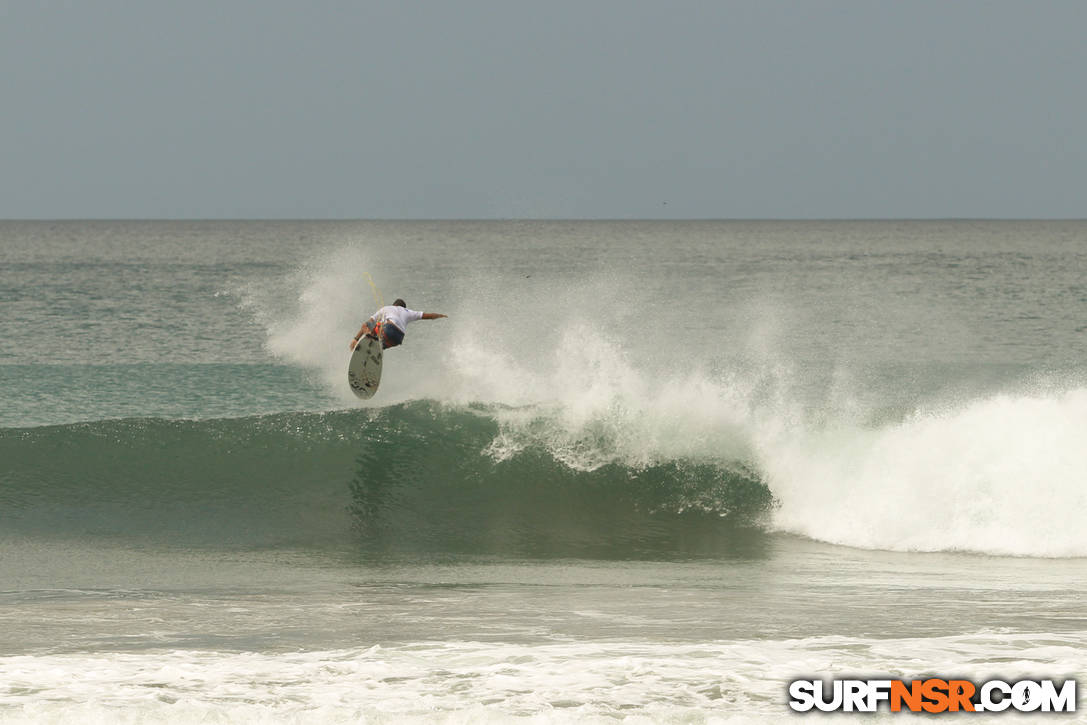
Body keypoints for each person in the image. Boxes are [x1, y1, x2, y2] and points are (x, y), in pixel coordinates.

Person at [350, 298, 447, 350]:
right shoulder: (409, 312)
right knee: (379, 347)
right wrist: (441, 315)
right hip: (398, 339)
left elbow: (369, 322)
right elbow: (428, 316)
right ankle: (376, 350)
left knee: (367, 325)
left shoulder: (387, 308)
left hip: (389, 330)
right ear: (403, 307)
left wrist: (356, 339)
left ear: (394, 305)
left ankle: (369, 340)